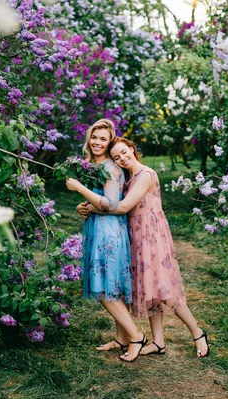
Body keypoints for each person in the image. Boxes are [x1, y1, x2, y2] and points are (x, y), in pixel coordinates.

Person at [67, 137, 210, 358]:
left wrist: (92, 207)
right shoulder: (127, 178)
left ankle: (198, 333)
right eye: (117, 157)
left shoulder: (146, 175)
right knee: (151, 291)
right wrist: (89, 205)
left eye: (124, 152)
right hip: (134, 235)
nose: (122, 158)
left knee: (165, 289)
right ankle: (158, 342)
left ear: (133, 149)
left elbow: (122, 207)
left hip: (151, 237)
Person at [65, 120, 146, 362]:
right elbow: (98, 200)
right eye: (94, 137)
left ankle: (136, 336)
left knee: (104, 289)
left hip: (109, 233)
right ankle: (121, 339)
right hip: (97, 228)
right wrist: (85, 206)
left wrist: (80, 189)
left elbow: (109, 204)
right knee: (113, 287)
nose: (97, 142)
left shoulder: (111, 169)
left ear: (109, 142)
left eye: (103, 139)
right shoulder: (91, 166)